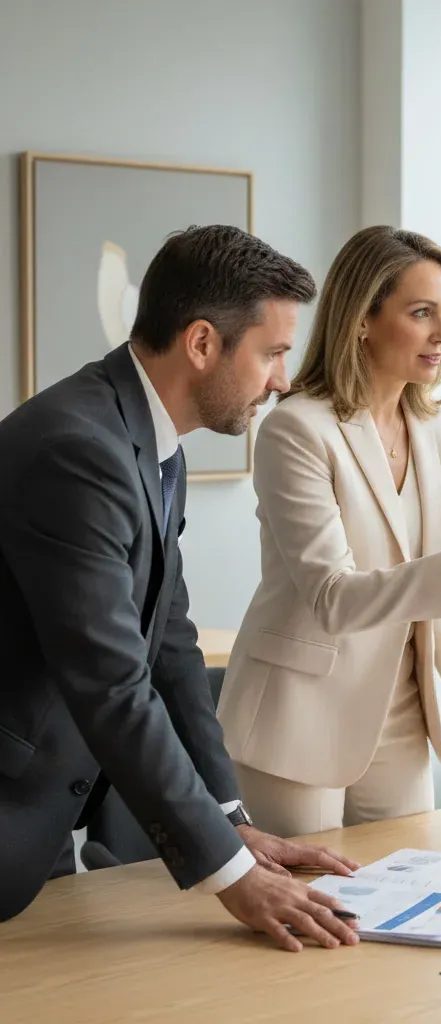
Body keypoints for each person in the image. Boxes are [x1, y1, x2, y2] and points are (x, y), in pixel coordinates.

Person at [0, 225, 364, 952]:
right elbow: (112, 683)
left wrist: (231, 820)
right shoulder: (79, 449)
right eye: (272, 353)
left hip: (44, 821)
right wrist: (232, 875)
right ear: (201, 343)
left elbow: (169, 644)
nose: (282, 380)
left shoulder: (148, 443)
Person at [217, 226, 441, 836]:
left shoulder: (435, 429)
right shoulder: (297, 430)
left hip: (401, 712)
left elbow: (436, 595)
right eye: (421, 312)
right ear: (362, 320)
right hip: (300, 716)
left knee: (412, 882)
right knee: (308, 888)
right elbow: (332, 597)